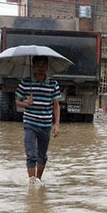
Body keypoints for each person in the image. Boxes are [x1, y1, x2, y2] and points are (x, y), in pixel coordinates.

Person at [15, 55, 61, 184]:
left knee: (42, 156)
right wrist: (26, 103)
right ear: (33, 67)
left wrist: (56, 124)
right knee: (31, 154)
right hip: (30, 123)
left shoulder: (53, 84)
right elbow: (17, 102)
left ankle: (38, 181)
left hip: (46, 124)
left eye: (43, 65)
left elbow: (56, 105)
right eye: (38, 65)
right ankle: (32, 183)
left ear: (47, 67)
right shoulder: (25, 83)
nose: (41, 68)